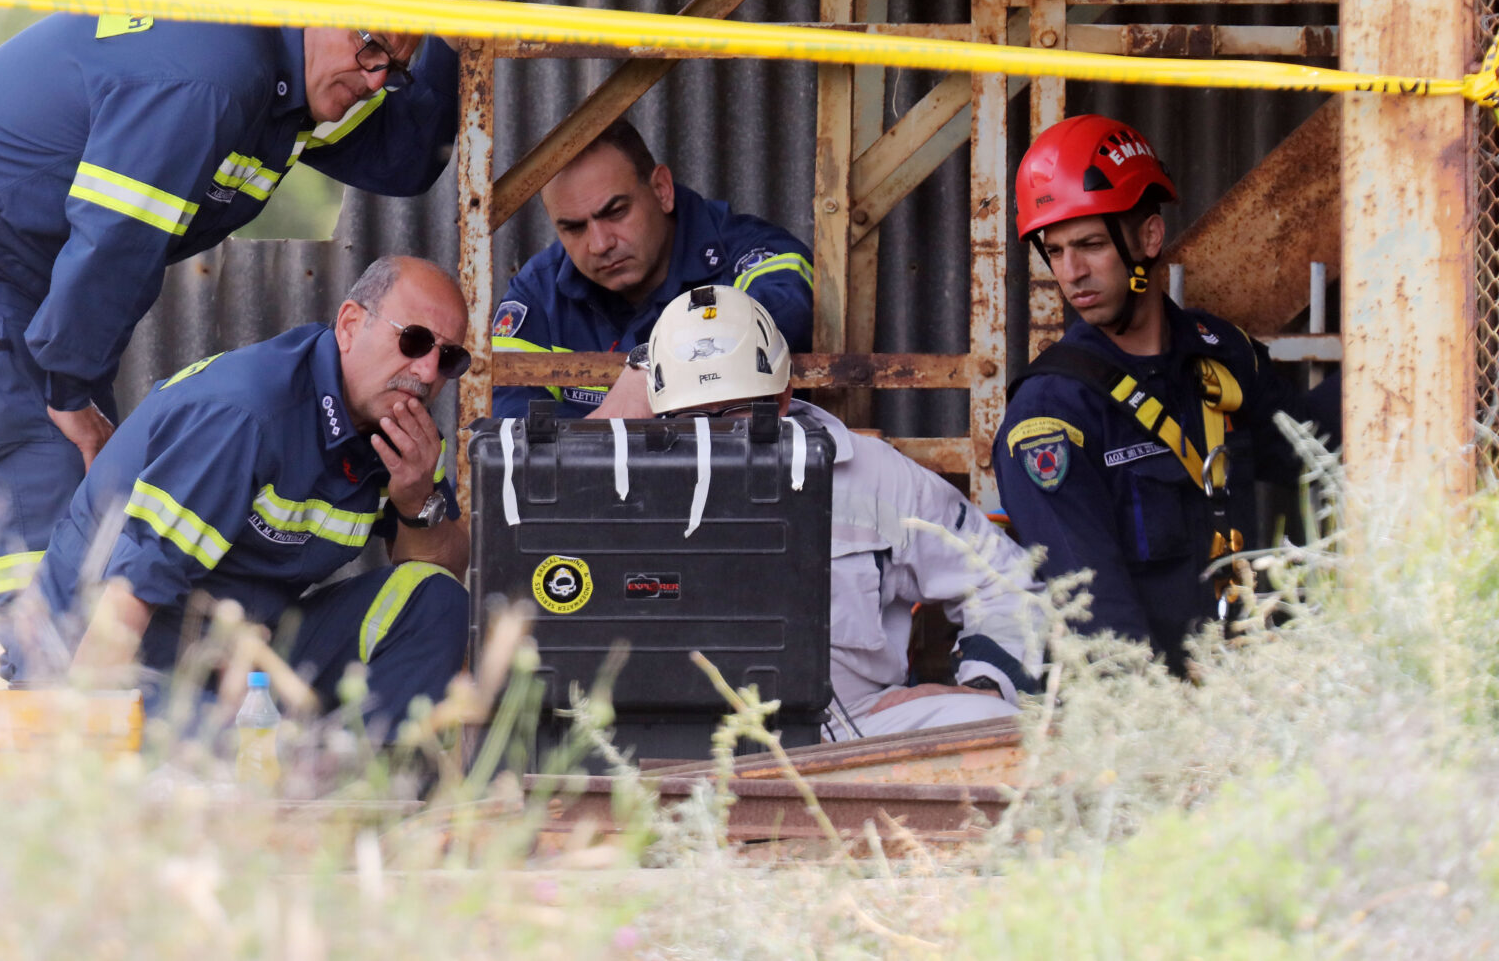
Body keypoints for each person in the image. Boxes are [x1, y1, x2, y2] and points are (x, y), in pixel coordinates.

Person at [0, 0, 508, 677]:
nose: (375, 76)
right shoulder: (216, 75)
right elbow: (116, 238)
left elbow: (401, 159)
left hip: (39, 258)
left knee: (84, 507)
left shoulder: (293, 81)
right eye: (368, 47)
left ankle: (76, 713)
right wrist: (66, 387)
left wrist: (450, 38)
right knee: (40, 454)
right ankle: (47, 727)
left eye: (394, 63)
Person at [28, 256, 472, 734]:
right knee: (254, 759)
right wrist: (82, 731)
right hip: (117, 657)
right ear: (349, 325)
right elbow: (129, 593)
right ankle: (303, 770)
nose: (427, 373)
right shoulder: (247, 415)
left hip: (243, 658)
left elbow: (439, 576)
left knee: (436, 599)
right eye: (414, 340)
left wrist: (416, 500)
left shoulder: (404, 433)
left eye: (448, 358)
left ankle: (370, 787)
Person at [994, 114, 1341, 675]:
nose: (1071, 272)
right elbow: (1098, 622)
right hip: (1149, 722)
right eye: (1054, 251)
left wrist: (1406, 369)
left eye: (1088, 244)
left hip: (1253, 687)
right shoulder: (1052, 417)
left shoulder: (1219, 354)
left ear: (1148, 237)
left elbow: (1314, 450)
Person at [642, 284, 1043, 738]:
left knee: (999, 728)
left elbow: (1004, 579)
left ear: (782, 396)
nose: (716, 437)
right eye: (692, 419)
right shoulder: (622, 485)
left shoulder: (872, 477)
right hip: (676, 738)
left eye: (736, 413)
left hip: (851, 733)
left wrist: (989, 686)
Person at [489, 117, 814, 419]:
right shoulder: (539, 291)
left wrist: (652, 370)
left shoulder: (746, 253)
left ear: (662, 190)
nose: (600, 244)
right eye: (573, 228)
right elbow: (506, 425)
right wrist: (607, 430)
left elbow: (788, 306)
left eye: (615, 212)